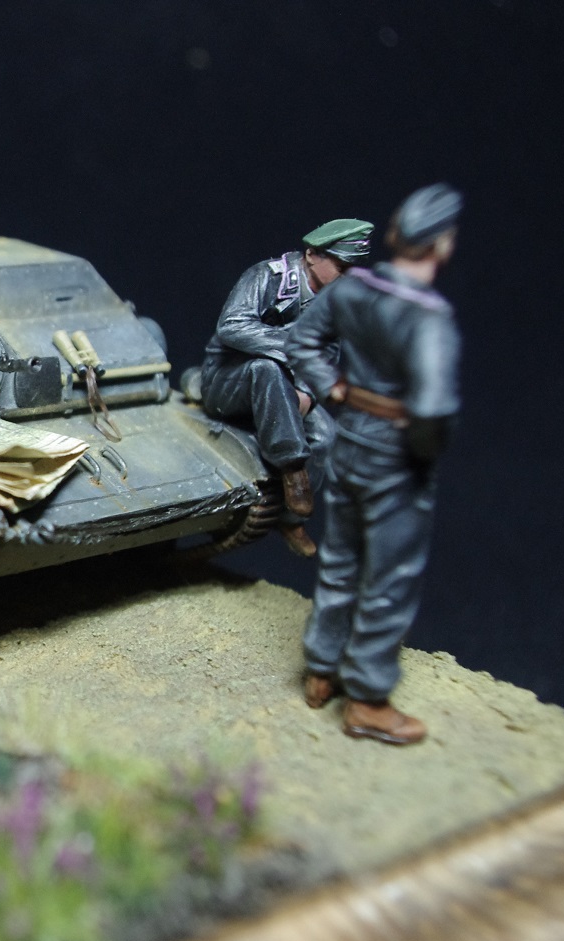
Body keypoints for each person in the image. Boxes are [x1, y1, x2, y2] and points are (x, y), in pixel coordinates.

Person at [284, 184, 463, 746]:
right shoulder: (429, 319)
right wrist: (423, 457)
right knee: (389, 579)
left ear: (393, 235)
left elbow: (302, 342)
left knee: (340, 562)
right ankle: (367, 699)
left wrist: (335, 389)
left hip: (350, 440)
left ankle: (321, 669)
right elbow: (432, 409)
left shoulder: (353, 288)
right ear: (442, 245)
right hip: (396, 455)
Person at [197, 219, 374, 556]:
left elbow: (329, 351)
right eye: (342, 267)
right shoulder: (266, 277)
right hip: (228, 381)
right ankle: (292, 467)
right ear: (312, 255)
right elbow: (231, 326)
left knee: (326, 435)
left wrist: (306, 391)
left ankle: (291, 519)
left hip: (287, 385)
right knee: (266, 368)